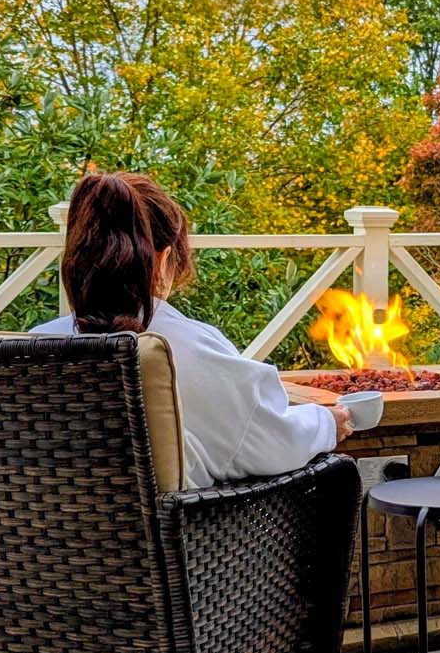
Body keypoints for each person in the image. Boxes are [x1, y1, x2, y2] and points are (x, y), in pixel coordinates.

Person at [33, 171, 352, 486]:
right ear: (162, 259)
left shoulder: (31, 348)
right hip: (178, 537)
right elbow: (271, 442)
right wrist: (326, 423)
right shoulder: (186, 349)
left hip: (34, 535)